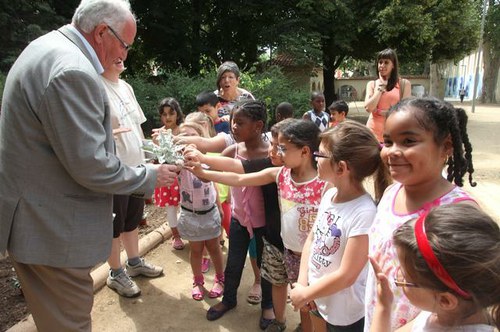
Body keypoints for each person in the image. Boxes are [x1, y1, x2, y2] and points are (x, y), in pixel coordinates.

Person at [0, 1, 179, 330]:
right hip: (52, 233)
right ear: (101, 32)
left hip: (37, 222)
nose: (123, 57)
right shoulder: (73, 70)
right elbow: (91, 166)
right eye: (124, 45)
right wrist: (149, 176)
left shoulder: (46, 48)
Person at [188, 119, 328, 332]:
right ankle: (280, 322)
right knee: (286, 289)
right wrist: (204, 173)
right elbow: (238, 178)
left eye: (283, 148)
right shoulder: (280, 175)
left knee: (310, 302)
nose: (277, 152)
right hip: (287, 251)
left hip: (314, 256)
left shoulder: (325, 183)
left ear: (305, 151)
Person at [364, 97, 477, 331]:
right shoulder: (391, 193)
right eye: (388, 141)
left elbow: (468, 300)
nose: (393, 151)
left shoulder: (457, 211)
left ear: (446, 146)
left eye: (408, 141)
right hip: (379, 318)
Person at [289, 120, 391, 332]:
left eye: (320, 155)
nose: (315, 159)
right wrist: (303, 284)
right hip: (318, 294)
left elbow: (347, 275)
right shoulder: (329, 194)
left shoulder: (364, 213)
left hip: (344, 311)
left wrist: (306, 293)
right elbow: (313, 238)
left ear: (341, 168)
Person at [370, 204, 499, 332]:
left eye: (405, 278)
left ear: (446, 300)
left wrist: (383, 307)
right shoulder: (440, 314)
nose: (397, 276)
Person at [101, 58, 163, 298]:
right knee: (113, 225)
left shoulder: (126, 87)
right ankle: (115, 273)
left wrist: (150, 153)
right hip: (114, 171)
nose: (121, 55)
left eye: (126, 50)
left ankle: (134, 263)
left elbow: (136, 127)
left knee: (132, 219)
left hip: (136, 168)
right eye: (117, 49)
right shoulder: (95, 86)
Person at [175, 122, 225, 301]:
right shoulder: (177, 163)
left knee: (214, 248)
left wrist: (219, 207)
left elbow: (212, 183)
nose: (187, 143)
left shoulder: (207, 160)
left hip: (209, 212)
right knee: (195, 250)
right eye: (183, 138)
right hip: (190, 214)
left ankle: (220, 278)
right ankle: (197, 281)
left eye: (191, 137)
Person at [152, 97, 185, 250]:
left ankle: (193, 233)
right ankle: (176, 236)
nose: (167, 117)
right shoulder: (158, 135)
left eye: (171, 113)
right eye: (164, 114)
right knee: (171, 208)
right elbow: (156, 158)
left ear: (177, 114)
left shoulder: (184, 131)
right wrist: (156, 144)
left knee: (187, 205)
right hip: (168, 178)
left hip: (185, 177)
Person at [364, 48, 412, 142]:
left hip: (394, 135)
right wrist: (380, 88)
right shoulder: (372, 84)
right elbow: (369, 108)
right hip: (372, 136)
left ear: (393, 65)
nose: (382, 65)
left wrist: (379, 111)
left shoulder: (404, 84)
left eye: (386, 62)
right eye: (380, 62)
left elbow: (404, 110)